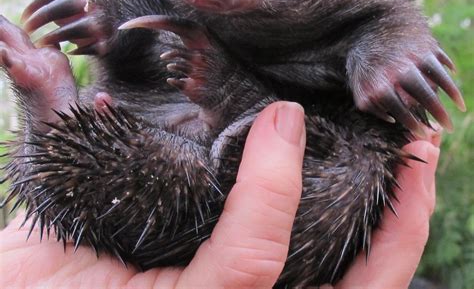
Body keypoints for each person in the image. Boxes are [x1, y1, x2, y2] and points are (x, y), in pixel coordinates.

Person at [0, 102, 440, 289]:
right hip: (165, 153)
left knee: (352, 176)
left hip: (327, 163)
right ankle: (52, 130)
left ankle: (50, 126)